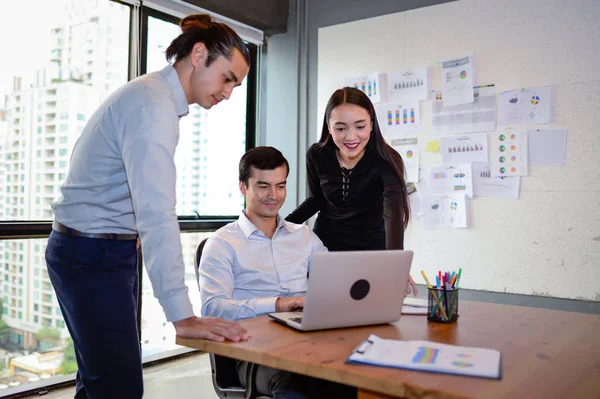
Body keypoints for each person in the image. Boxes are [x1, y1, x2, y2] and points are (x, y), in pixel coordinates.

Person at [45, 14, 250, 399]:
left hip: (106, 249)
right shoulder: (150, 105)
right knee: (118, 388)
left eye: (236, 86)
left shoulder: (154, 98)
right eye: (227, 78)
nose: (228, 93)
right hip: (90, 254)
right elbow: (157, 212)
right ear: (199, 54)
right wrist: (182, 315)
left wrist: (128, 231)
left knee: (100, 383)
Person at [199, 146, 355, 399]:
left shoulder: (303, 235)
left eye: (280, 186)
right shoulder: (222, 243)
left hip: (309, 338)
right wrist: (279, 304)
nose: (273, 195)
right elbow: (212, 308)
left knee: (361, 370)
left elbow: (334, 281)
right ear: (243, 187)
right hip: (254, 352)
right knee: (302, 377)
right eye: (263, 186)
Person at [286, 87, 418, 295]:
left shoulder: (387, 161)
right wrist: (280, 228)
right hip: (326, 249)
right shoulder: (317, 155)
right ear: (328, 127)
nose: (351, 136)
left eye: (360, 126)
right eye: (340, 128)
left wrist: (395, 265)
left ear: (372, 125)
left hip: (371, 252)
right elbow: (316, 200)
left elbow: (392, 215)